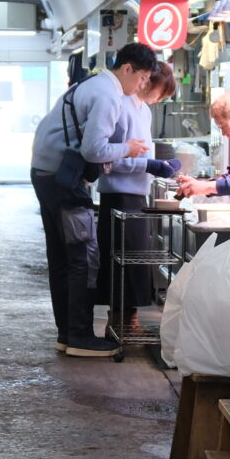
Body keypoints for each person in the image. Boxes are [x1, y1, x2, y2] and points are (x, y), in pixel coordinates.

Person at [29, 41, 159, 356]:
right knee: (83, 257)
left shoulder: (92, 83)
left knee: (61, 258)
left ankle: (67, 333)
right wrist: (128, 148)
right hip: (64, 180)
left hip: (47, 173)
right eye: (142, 78)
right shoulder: (108, 95)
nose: (142, 86)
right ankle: (80, 337)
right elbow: (93, 150)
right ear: (127, 69)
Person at [97, 59, 179, 337]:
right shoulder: (120, 105)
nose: (159, 99)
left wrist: (160, 165)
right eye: (160, 92)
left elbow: (143, 152)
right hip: (118, 192)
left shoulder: (144, 110)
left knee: (136, 262)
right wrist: (149, 165)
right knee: (121, 261)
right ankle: (119, 322)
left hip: (138, 192)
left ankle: (129, 321)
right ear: (147, 81)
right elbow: (109, 157)